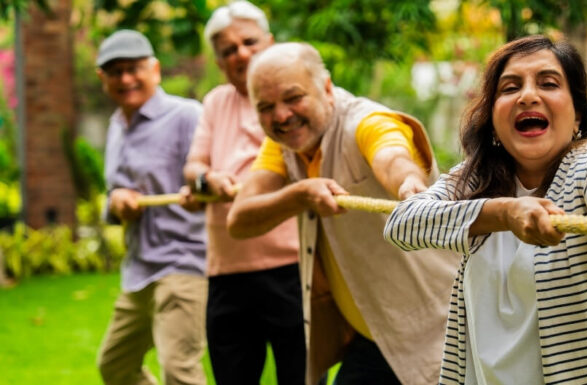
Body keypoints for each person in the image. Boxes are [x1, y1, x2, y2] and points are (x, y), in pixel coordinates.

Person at [384, 35, 587, 385]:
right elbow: (402, 224)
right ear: (493, 119)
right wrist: (505, 213)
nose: (527, 95)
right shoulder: (475, 180)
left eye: (548, 83)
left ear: (577, 117)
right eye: (510, 87)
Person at [227, 42, 460, 385]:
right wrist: (300, 194)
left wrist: (410, 186)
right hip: (373, 337)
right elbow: (240, 220)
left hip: (440, 329)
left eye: (293, 98)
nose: (281, 115)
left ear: (325, 88)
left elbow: (392, 156)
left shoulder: (366, 121)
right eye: (266, 107)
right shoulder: (283, 145)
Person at [179, 2, 304, 384]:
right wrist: (206, 182)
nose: (242, 53)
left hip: (292, 269)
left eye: (249, 42)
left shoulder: (295, 97)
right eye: (229, 50)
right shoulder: (217, 102)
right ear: (219, 63)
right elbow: (194, 167)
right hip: (227, 274)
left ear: (270, 42)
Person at [95, 30, 208, 385]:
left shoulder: (187, 116)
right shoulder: (116, 126)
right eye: (115, 72)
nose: (125, 79)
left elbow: (216, 177)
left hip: (185, 262)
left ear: (155, 69)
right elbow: (115, 192)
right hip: (140, 269)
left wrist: (201, 189)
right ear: (103, 79)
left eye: (133, 68)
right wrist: (116, 203)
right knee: (115, 365)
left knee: (179, 370)